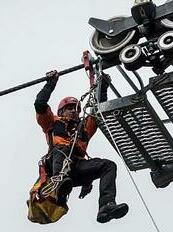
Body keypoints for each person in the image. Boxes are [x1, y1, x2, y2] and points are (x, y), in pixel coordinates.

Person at [33, 70, 128, 223]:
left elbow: (99, 110)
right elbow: (40, 104)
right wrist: (50, 83)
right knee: (63, 150)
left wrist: (102, 87)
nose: (74, 111)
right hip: (56, 167)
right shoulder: (52, 122)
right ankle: (60, 184)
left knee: (108, 166)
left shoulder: (83, 128)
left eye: (76, 109)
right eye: (70, 108)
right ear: (61, 111)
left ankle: (106, 205)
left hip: (76, 169)